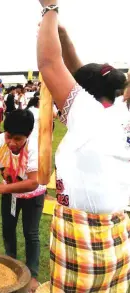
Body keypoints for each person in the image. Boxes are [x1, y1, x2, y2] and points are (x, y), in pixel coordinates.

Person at [37, 2, 130, 292]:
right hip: (117, 236)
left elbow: (50, 64)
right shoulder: (117, 113)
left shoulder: (87, 116)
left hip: (82, 240)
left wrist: (49, 9)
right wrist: (62, 33)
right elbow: (82, 75)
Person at [0, 110, 47, 292]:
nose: (11, 143)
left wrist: (0, 188)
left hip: (33, 195)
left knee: (31, 233)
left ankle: (32, 274)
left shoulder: (35, 146)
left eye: (17, 139)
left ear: (28, 135)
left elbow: (32, 183)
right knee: (8, 229)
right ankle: (11, 263)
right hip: (10, 194)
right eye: (9, 136)